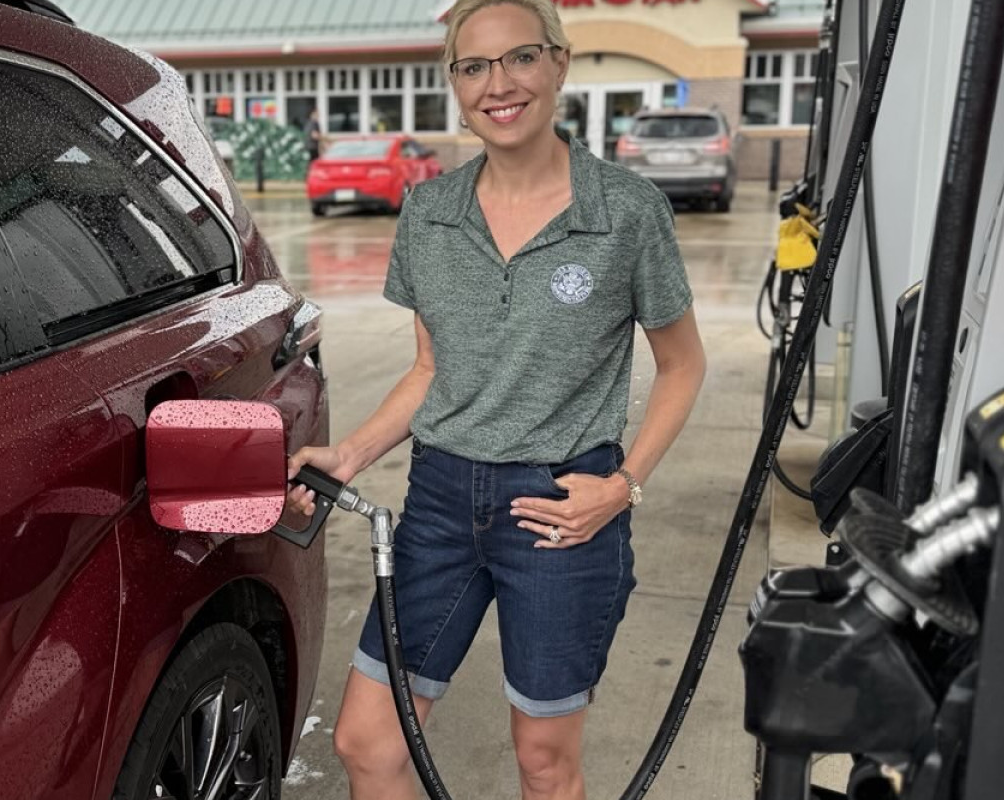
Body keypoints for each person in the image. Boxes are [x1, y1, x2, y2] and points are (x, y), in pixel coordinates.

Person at [283, 1, 708, 798]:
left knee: (545, 763)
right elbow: (429, 370)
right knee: (368, 741)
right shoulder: (429, 212)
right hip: (440, 502)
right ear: (453, 82)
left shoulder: (625, 211)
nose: (498, 84)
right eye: (473, 66)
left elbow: (682, 366)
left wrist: (624, 486)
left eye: (519, 58)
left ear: (558, 63)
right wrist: (350, 454)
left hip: (559, 510)